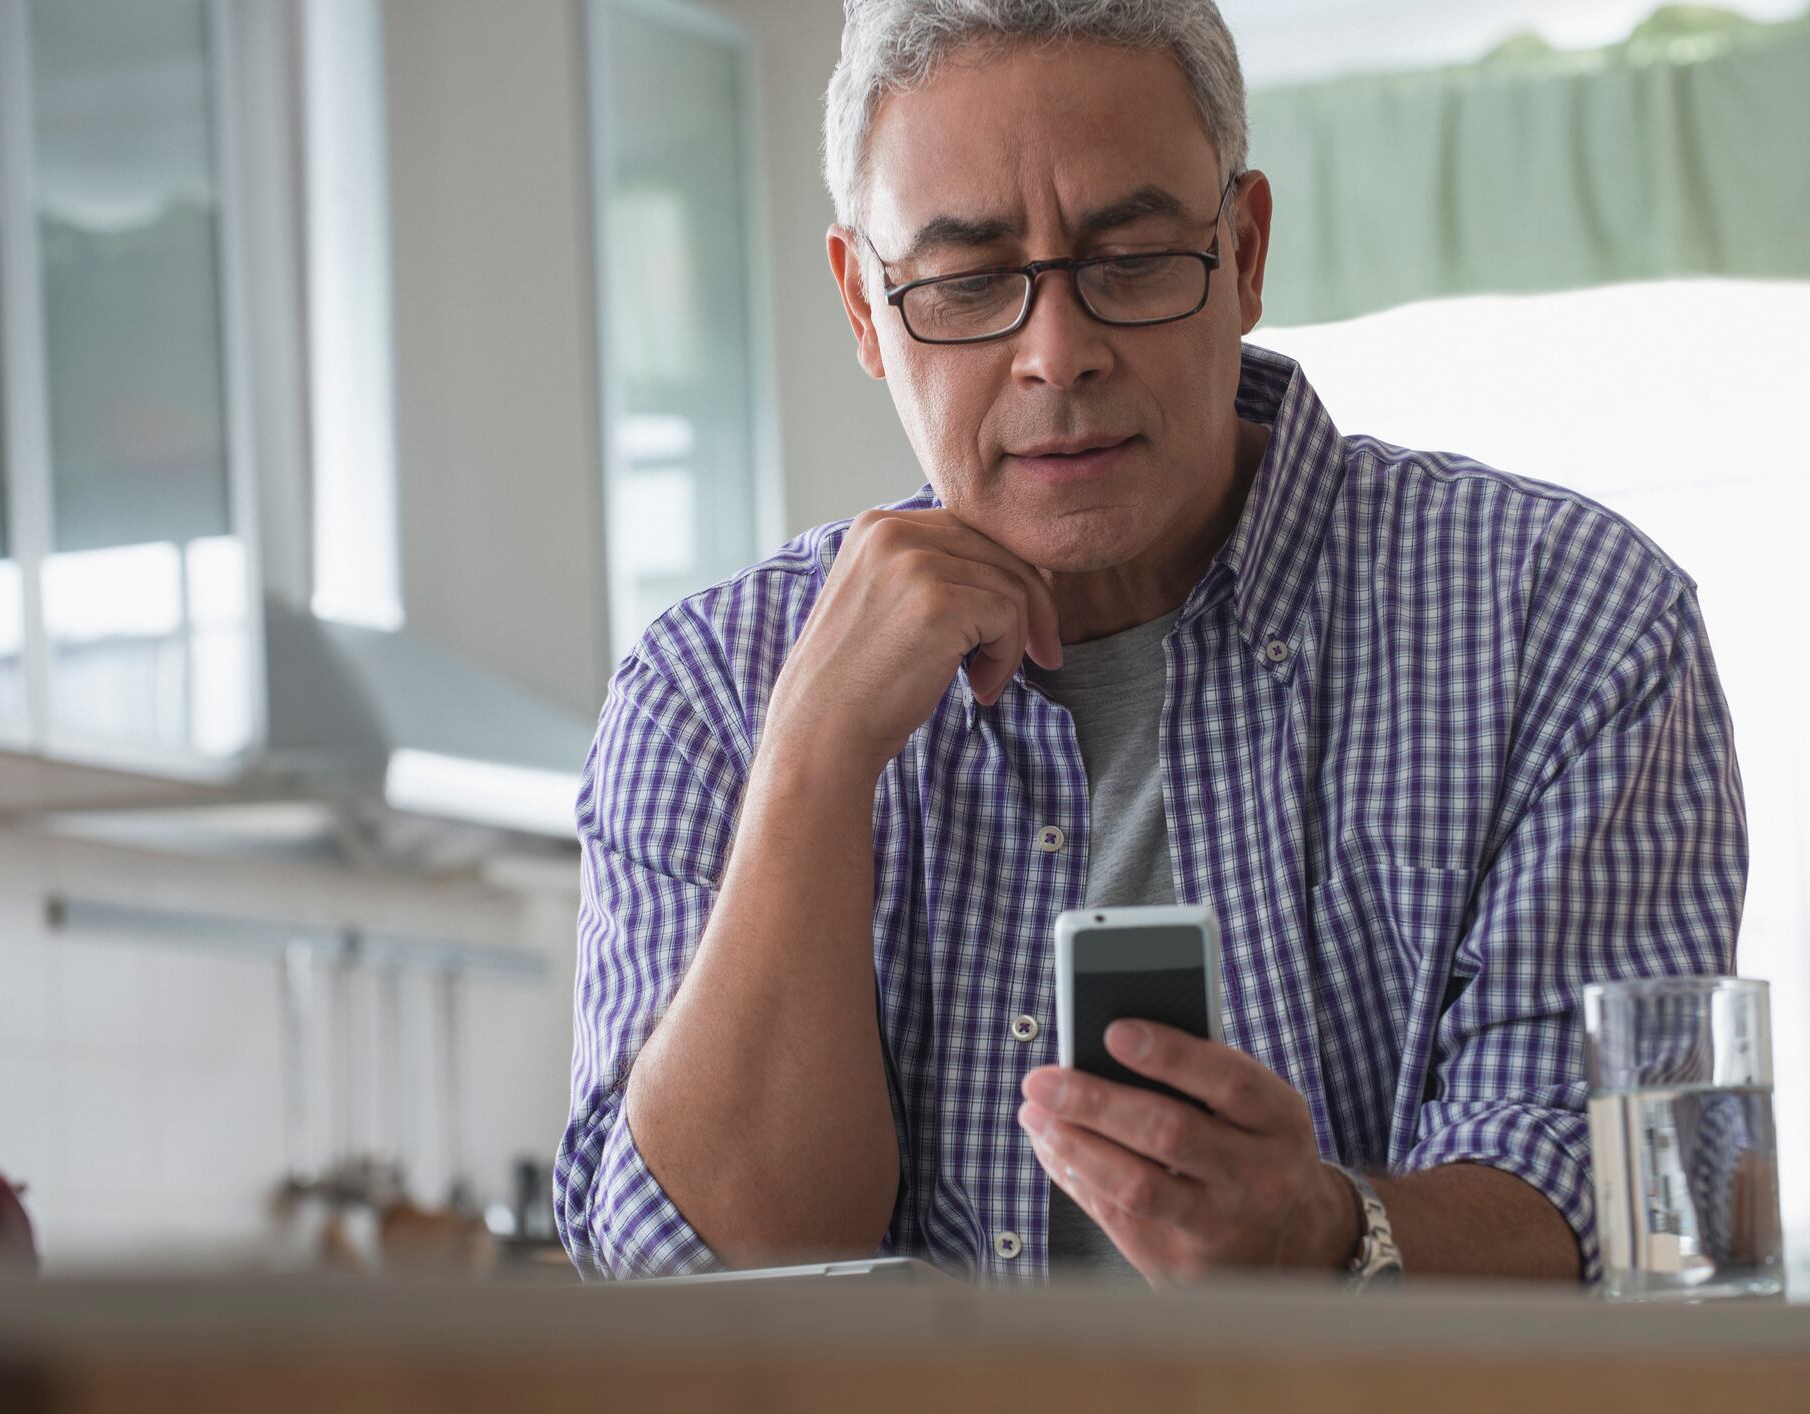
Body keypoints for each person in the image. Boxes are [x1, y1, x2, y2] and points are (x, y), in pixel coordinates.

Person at [556, 0, 1746, 1286]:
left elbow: (1634, 1207)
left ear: (1242, 250)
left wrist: (1324, 1234)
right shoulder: (709, 691)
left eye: (1128, 260)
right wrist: (811, 760)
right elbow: (689, 1271)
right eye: (965, 282)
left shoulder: (1563, 620)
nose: (1056, 356)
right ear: (862, 303)